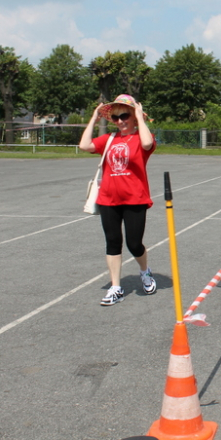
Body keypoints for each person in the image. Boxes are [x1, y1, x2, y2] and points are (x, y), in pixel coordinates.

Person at [79, 94, 157, 306]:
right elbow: (84, 145)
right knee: (113, 242)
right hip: (108, 199)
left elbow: (148, 143)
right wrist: (95, 118)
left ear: (132, 116)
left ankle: (144, 271)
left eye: (124, 116)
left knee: (134, 244)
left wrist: (140, 117)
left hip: (135, 199)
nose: (120, 121)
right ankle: (116, 287)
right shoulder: (109, 140)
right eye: (116, 118)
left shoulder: (141, 139)